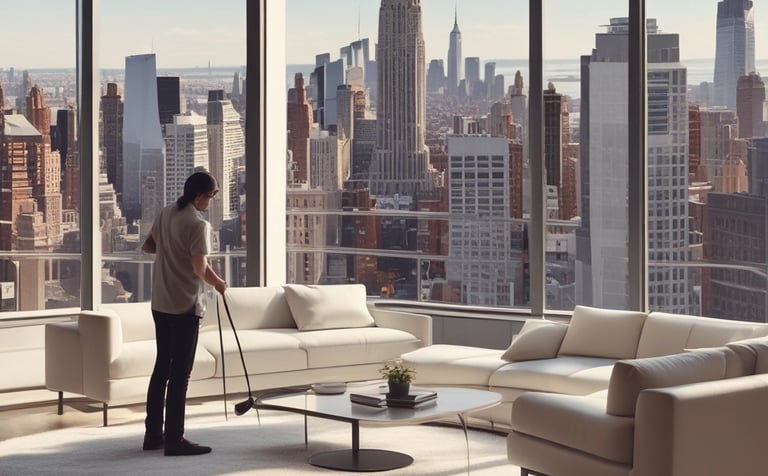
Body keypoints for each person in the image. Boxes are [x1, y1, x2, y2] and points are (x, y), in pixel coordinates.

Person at [141, 171, 227, 456]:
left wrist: (170, 251)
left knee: (161, 369)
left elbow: (149, 246)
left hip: (160, 302)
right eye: (211, 196)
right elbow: (200, 269)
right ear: (199, 195)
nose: (211, 202)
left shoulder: (166, 213)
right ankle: (175, 440)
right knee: (180, 375)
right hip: (184, 304)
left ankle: (153, 434)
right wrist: (219, 283)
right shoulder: (197, 224)